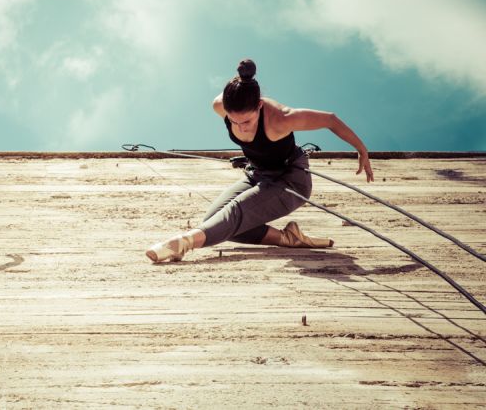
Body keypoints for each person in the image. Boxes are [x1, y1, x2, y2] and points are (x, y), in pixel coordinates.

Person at [146, 58, 374, 263]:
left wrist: (362, 149)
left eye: (246, 121)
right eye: (234, 122)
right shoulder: (221, 105)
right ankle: (287, 238)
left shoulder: (282, 119)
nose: (239, 127)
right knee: (215, 222)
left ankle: (182, 243)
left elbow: (330, 120)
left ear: (259, 106)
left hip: (290, 181)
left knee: (230, 217)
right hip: (258, 175)